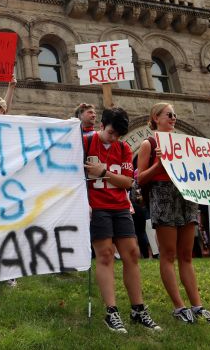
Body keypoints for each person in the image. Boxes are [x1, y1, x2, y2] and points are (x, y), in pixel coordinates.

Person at [83, 107, 161, 333]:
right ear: (101, 126)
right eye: (110, 133)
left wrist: (103, 172)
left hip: (120, 207)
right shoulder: (85, 142)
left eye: (118, 134)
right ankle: (112, 312)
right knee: (105, 255)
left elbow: (127, 182)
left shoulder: (124, 148)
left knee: (132, 254)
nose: (114, 137)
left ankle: (138, 309)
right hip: (97, 207)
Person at [137, 103, 210, 324]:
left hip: (186, 196)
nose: (173, 118)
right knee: (168, 254)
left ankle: (197, 305)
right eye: (169, 115)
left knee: (187, 255)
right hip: (163, 196)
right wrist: (159, 164)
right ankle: (179, 306)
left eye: (175, 115)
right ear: (156, 117)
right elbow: (140, 178)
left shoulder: (185, 144)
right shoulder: (149, 144)